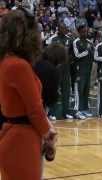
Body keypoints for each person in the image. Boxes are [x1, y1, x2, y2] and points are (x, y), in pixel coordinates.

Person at [0, 9, 57, 180]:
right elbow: (34, 109)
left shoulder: (6, 61)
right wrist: (49, 134)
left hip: (12, 135)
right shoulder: (19, 66)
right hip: (23, 141)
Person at [46, 20, 74, 120]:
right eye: (62, 28)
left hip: (66, 69)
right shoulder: (52, 39)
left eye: (65, 28)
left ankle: (65, 113)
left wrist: (70, 58)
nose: (64, 30)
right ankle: (51, 113)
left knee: (66, 92)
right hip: (55, 69)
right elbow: (47, 53)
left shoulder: (69, 39)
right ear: (58, 28)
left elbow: (72, 53)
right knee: (54, 91)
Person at [70, 18, 93, 119]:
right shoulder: (76, 42)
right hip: (79, 70)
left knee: (86, 90)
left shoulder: (89, 42)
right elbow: (76, 55)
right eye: (83, 32)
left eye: (86, 31)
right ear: (79, 32)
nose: (85, 33)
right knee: (79, 90)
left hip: (88, 69)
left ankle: (84, 109)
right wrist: (86, 51)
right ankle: (77, 110)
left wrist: (91, 50)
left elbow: (92, 54)